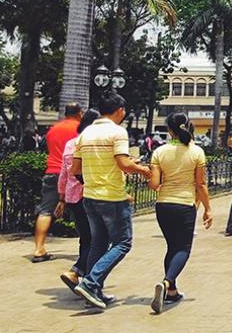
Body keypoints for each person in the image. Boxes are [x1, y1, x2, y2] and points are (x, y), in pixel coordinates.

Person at [70, 92, 151, 309]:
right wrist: (143, 170)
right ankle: (90, 283)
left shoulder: (85, 134)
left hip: (90, 196)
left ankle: (93, 292)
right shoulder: (117, 132)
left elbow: (75, 168)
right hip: (112, 197)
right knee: (123, 242)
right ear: (120, 110)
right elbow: (123, 164)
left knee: (98, 243)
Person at [148, 113, 213, 314]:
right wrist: (208, 208)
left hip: (163, 205)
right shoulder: (197, 152)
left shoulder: (159, 152)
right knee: (183, 249)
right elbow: (200, 184)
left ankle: (172, 291)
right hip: (185, 205)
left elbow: (154, 184)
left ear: (169, 130)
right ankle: (167, 282)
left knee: (172, 247)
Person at [32, 103, 83, 262]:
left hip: (52, 171)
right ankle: (89, 250)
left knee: (46, 211)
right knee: (83, 212)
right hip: (74, 174)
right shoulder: (81, 130)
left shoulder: (53, 129)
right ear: (79, 113)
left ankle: (39, 249)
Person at [55, 109, 99, 290]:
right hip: (91, 195)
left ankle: (85, 278)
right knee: (99, 238)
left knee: (85, 237)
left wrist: (62, 198)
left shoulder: (70, 144)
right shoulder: (91, 144)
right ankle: (79, 272)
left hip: (73, 196)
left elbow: (64, 174)